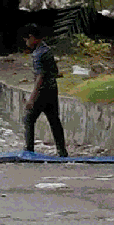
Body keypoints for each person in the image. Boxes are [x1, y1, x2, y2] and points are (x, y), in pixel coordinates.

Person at [21, 24, 70, 157]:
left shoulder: (38, 54)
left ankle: (29, 150)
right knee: (54, 120)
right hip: (52, 89)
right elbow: (55, 71)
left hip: (42, 91)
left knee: (28, 119)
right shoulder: (47, 49)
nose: (26, 43)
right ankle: (62, 151)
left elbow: (40, 77)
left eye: (26, 40)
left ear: (32, 37)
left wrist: (32, 99)